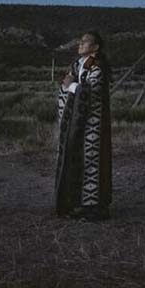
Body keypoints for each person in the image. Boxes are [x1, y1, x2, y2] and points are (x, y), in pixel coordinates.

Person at [54, 31, 112, 220]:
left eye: (85, 41)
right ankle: (75, 203)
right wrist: (70, 85)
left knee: (92, 161)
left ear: (95, 47)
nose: (80, 43)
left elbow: (91, 93)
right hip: (76, 124)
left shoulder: (97, 67)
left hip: (93, 124)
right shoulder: (77, 65)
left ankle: (95, 207)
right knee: (75, 159)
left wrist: (72, 85)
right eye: (80, 40)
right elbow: (68, 85)